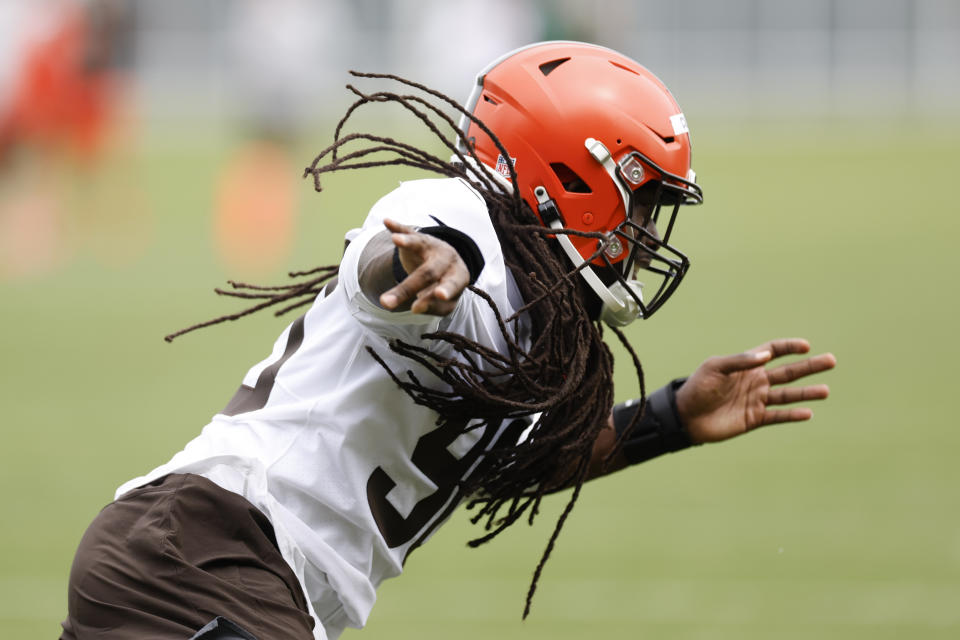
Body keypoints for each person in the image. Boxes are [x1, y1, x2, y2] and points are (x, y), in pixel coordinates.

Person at [61, 42, 836, 640]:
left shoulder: (540, 326)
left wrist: (670, 418)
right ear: (567, 178)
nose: (643, 235)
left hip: (234, 576)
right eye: (639, 206)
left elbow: (515, 462)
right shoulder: (458, 223)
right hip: (205, 552)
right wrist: (429, 259)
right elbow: (391, 264)